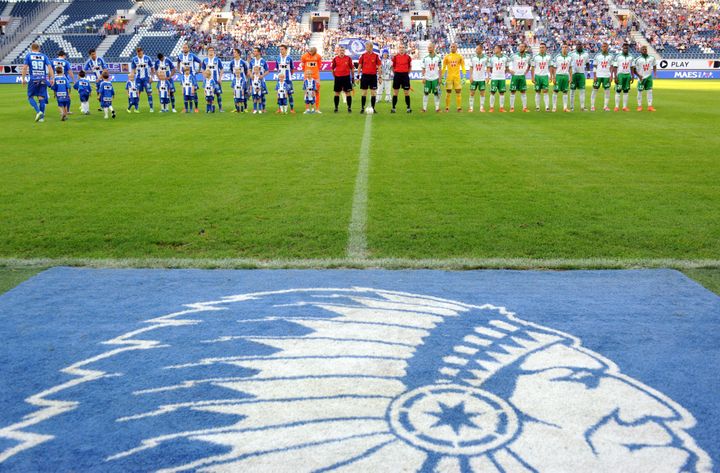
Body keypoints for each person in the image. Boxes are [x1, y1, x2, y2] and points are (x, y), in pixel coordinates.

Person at [21, 43, 54, 122]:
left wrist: (23, 78)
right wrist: (52, 78)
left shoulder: (28, 56)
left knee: (30, 97)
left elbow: (25, 68)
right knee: (41, 98)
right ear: (39, 48)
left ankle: (38, 112)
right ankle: (41, 118)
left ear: (31, 48)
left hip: (33, 79)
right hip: (43, 79)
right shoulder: (44, 56)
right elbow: (50, 67)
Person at [176, 44, 202, 112]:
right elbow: (178, 63)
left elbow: (200, 62)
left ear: (188, 49)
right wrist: (178, 70)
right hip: (183, 75)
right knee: (185, 91)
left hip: (192, 75)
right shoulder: (180, 56)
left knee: (194, 91)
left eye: (186, 47)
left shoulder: (192, 55)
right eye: (183, 47)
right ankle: (185, 108)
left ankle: (196, 108)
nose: (184, 49)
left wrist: (198, 71)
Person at [358, 41, 381, 114]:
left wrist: (380, 76)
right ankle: (362, 108)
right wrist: (358, 76)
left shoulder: (376, 56)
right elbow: (359, 66)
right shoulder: (363, 55)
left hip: (373, 76)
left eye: (367, 47)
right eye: (366, 47)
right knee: (364, 93)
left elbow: (379, 67)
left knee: (373, 93)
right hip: (365, 76)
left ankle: (373, 108)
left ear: (371, 47)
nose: (366, 48)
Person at [441, 42, 466, 112]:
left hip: (457, 77)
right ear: (450, 48)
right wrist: (442, 77)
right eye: (451, 47)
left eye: (454, 47)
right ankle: (447, 107)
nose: (452, 48)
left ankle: (459, 108)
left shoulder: (460, 57)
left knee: (458, 92)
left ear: (456, 48)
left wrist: (464, 76)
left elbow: (463, 66)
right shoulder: (447, 57)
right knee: (448, 92)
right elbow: (443, 67)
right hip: (449, 77)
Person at [509, 43, 531, 112]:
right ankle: (512, 108)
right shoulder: (514, 56)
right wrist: (509, 70)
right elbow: (505, 62)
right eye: (520, 46)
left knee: (523, 91)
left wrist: (527, 71)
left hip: (522, 76)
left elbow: (530, 64)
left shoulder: (528, 56)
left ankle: (524, 108)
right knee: (513, 92)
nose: (521, 48)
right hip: (515, 76)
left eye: (522, 46)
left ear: (525, 48)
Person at [591, 42, 613, 112]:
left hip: (607, 76)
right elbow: (594, 66)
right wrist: (594, 75)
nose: (604, 47)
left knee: (607, 91)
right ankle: (592, 106)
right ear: (601, 47)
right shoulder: (597, 56)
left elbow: (612, 66)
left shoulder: (611, 56)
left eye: (605, 46)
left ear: (607, 47)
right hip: (598, 76)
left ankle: (605, 106)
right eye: (603, 46)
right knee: (594, 90)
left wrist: (611, 75)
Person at [633, 45, 656, 112]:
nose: (644, 50)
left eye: (645, 49)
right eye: (643, 49)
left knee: (650, 91)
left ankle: (650, 106)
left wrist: (655, 73)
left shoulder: (652, 58)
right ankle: (639, 106)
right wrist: (638, 76)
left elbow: (654, 65)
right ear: (640, 51)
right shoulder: (637, 59)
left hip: (649, 77)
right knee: (639, 91)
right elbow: (633, 69)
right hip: (641, 77)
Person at [131, 47, 155, 112]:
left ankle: (151, 108)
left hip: (146, 78)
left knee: (149, 92)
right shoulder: (134, 59)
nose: (139, 53)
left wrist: (152, 77)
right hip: (138, 79)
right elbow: (133, 69)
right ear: (136, 52)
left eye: (140, 51)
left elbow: (152, 68)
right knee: (137, 93)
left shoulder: (147, 58)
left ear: (142, 51)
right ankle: (136, 108)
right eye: (138, 52)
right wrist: (132, 77)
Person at [331, 46, 354, 113]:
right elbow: (332, 69)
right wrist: (335, 76)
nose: (342, 52)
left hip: (346, 77)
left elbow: (352, 68)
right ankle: (336, 107)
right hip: (338, 78)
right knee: (337, 93)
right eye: (340, 50)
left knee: (348, 93)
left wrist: (352, 77)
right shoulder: (335, 59)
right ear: (338, 51)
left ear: (344, 51)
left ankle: (349, 107)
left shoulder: (348, 58)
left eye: (343, 50)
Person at [421, 42, 442, 113]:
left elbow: (440, 69)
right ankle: (424, 108)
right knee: (426, 93)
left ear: (433, 48)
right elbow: (423, 68)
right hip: (427, 79)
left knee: (436, 93)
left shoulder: (438, 58)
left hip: (435, 79)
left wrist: (440, 78)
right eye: (428, 48)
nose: (428, 49)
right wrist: (423, 77)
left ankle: (437, 108)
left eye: (430, 47)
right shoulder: (425, 58)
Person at [391, 43, 412, 113]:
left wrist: (406, 73)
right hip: (397, 75)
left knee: (406, 93)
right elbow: (393, 67)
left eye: (403, 47)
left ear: (404, 49)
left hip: (405, 76)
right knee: (395, 93)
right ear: (398, 49)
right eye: (400, 47)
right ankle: (393, 108)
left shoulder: (408, 57)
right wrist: (396, 73)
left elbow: (410, 67)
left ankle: (408, 108)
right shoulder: (395, 57)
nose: (401, 49)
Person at [300, 47, 322, 113]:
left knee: (317, 91)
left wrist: (315, 74)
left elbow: (319, 66)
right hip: (307, 76)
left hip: (315, 77)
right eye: (310, 51)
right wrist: (307, 73)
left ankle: (317, 108)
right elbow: (303, 66)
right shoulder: (304, 56)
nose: (310, 52)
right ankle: (307, 109)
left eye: (312, 52)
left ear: (315, 52)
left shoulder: (318, 56)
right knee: (307, 92)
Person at [551, 43, 572, 112]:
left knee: (565, 92)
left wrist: (570, 77)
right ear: (561, 48)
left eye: (566, 47)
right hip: (558, 76)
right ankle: (554, 107)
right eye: (563, 47)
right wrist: (553, 77)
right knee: (555, 91)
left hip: (566, 76)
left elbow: (570, 68)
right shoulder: (557, 57)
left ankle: (565, 108)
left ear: (567, 48)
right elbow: (554, 67)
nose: (564, 48)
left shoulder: (569, 58)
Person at [488, 44, 509, 113]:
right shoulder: (492, 58)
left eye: (496, 48)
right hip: (494, 78)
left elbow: (506, 68)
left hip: (502, 78)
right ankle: (491, 107)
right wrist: (493, 74)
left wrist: (503, 73)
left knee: (502, 93)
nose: (494, 49)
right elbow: (490, 68)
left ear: (500, 49)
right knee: (492, 92)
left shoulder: (505, 58)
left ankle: (501, 108)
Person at [202, 46, 224, 112]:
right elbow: (203, 69)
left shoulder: (217, 60)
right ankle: (210, 108)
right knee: (208, 94)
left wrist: (220, 78)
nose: (211, 52)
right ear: (207, 52)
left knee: (218, 94)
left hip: (216, 80)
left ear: (214, 52)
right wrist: (204, 78)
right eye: (209, 50)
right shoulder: (205, 60)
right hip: (208, 81)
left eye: (212, 50)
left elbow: (222, 69)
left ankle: (220, 108)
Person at [468, 44, 488, 113]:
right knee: (472, 93)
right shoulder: (473, 58)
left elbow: (488, 67)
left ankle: (481, 107)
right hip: (474, 78)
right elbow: (471, 67)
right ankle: (471, 107)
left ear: (481, 49)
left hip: (482, 78)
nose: (476, 50)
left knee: (482, 93)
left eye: (477, 49)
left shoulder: (485, 58)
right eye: (476, 49)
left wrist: (488, 76)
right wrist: (470, 76)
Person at [613, 43, 634, 112]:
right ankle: (616, 107)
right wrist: (615, 76)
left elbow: (632, 67)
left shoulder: (631, 57)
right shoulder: (618, 57)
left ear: (628, 49)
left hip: (627, 75)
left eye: (627, 48)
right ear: (622, 48)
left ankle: (624, 107)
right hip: (620, 75)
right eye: (624, 48)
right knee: (618, 91)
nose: (625, 49)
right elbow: (615, 67)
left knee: (626, 91)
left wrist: (633, 75)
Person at [532, 43, 551, 112]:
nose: (541, 49)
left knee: (545, 91)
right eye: (540, 47)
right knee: (537, 91)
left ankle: (547, 107)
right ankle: (537, 107)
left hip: (545, 76)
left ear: (545, 48)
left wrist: (551, 76)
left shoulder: (549, 57)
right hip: (537, 76)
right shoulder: (535, 57)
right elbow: (533, 67)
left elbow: (551, 66)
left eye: (543, 47)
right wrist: (532, 77)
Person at [569, 43, 589, 111]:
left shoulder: (586, 54)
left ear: (582, 46)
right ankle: (571, 107)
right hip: (574, 74)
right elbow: (568, 64)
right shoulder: (572, 54)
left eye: (580, 45)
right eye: (577, 45)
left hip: (581, 74)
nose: (579, 46)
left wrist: (588, 72)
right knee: (572, 91)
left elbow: (587, 63)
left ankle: (582, 107)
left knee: (582, 91)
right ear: (576, 46)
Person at [248, 47, 269, 112]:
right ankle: (254, 108)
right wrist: (251, 74)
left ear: (259, 52)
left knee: (262, 94)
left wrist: (262, 76)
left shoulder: (263, 61)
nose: (254, 52)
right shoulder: (252, 61)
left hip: (261, 81)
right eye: (253, 51)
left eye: (255, 51)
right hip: (253, 81)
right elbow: (249, 70)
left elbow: (267, 71)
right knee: (254, 94)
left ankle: (263, 108)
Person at [229, 48, 249, 112]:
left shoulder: (243, 62)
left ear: (238, 53)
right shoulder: (232, 62)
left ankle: (245, 108)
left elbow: (246, 71)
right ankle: (236, 107)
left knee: (244, 94)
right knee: (235, 94)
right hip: (235, 80)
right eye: (233, 52)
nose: (233, 53)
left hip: (242, 80)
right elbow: (232, 70)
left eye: (235, 52)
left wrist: (244, 78)